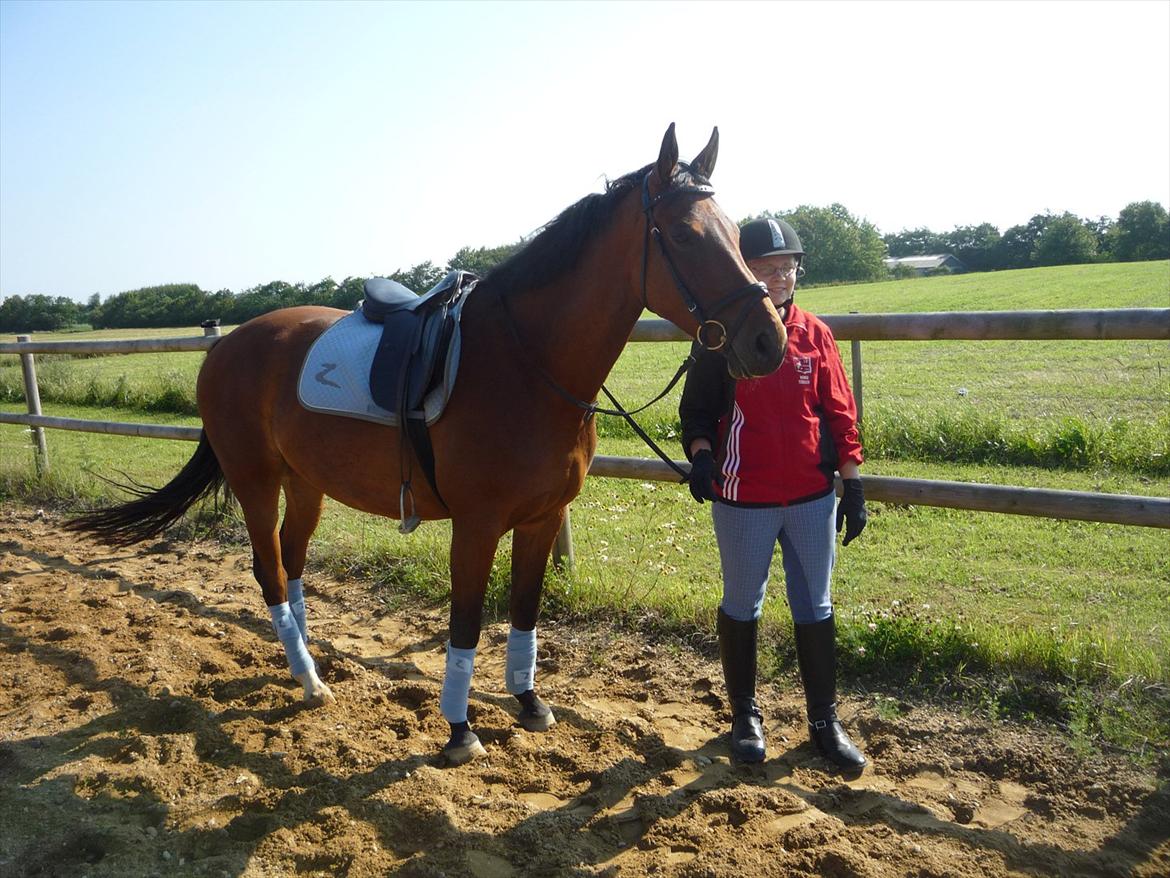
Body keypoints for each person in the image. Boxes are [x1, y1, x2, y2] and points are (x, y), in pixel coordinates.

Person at [679, 217, 868, 769]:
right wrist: (703, 457)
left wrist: (851, 487)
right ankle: (744, 715)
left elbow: (840, 414)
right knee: (743, 604)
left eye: (787, 266)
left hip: (812, 496)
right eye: (767, 268)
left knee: (816, 605)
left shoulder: (816, 334)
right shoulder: (720, 338)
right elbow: (697, 413)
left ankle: (824, 722)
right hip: (744, 497)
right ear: (748, 273)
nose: (780, 276)